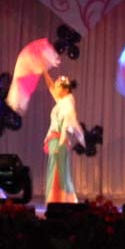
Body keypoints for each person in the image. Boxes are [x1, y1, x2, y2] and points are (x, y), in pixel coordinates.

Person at [41, 68, 83, 204]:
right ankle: (57, 199)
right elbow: (50, 86)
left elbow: (66, 122)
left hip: (59, 139)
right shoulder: (61, 101)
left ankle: (61, 200)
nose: (55, 87)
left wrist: (62, 140)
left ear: (65, 89)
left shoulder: (67, 102)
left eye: (58, 86)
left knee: (59, 170)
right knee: (56, 168)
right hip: (54, 138)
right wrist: (44, 72)